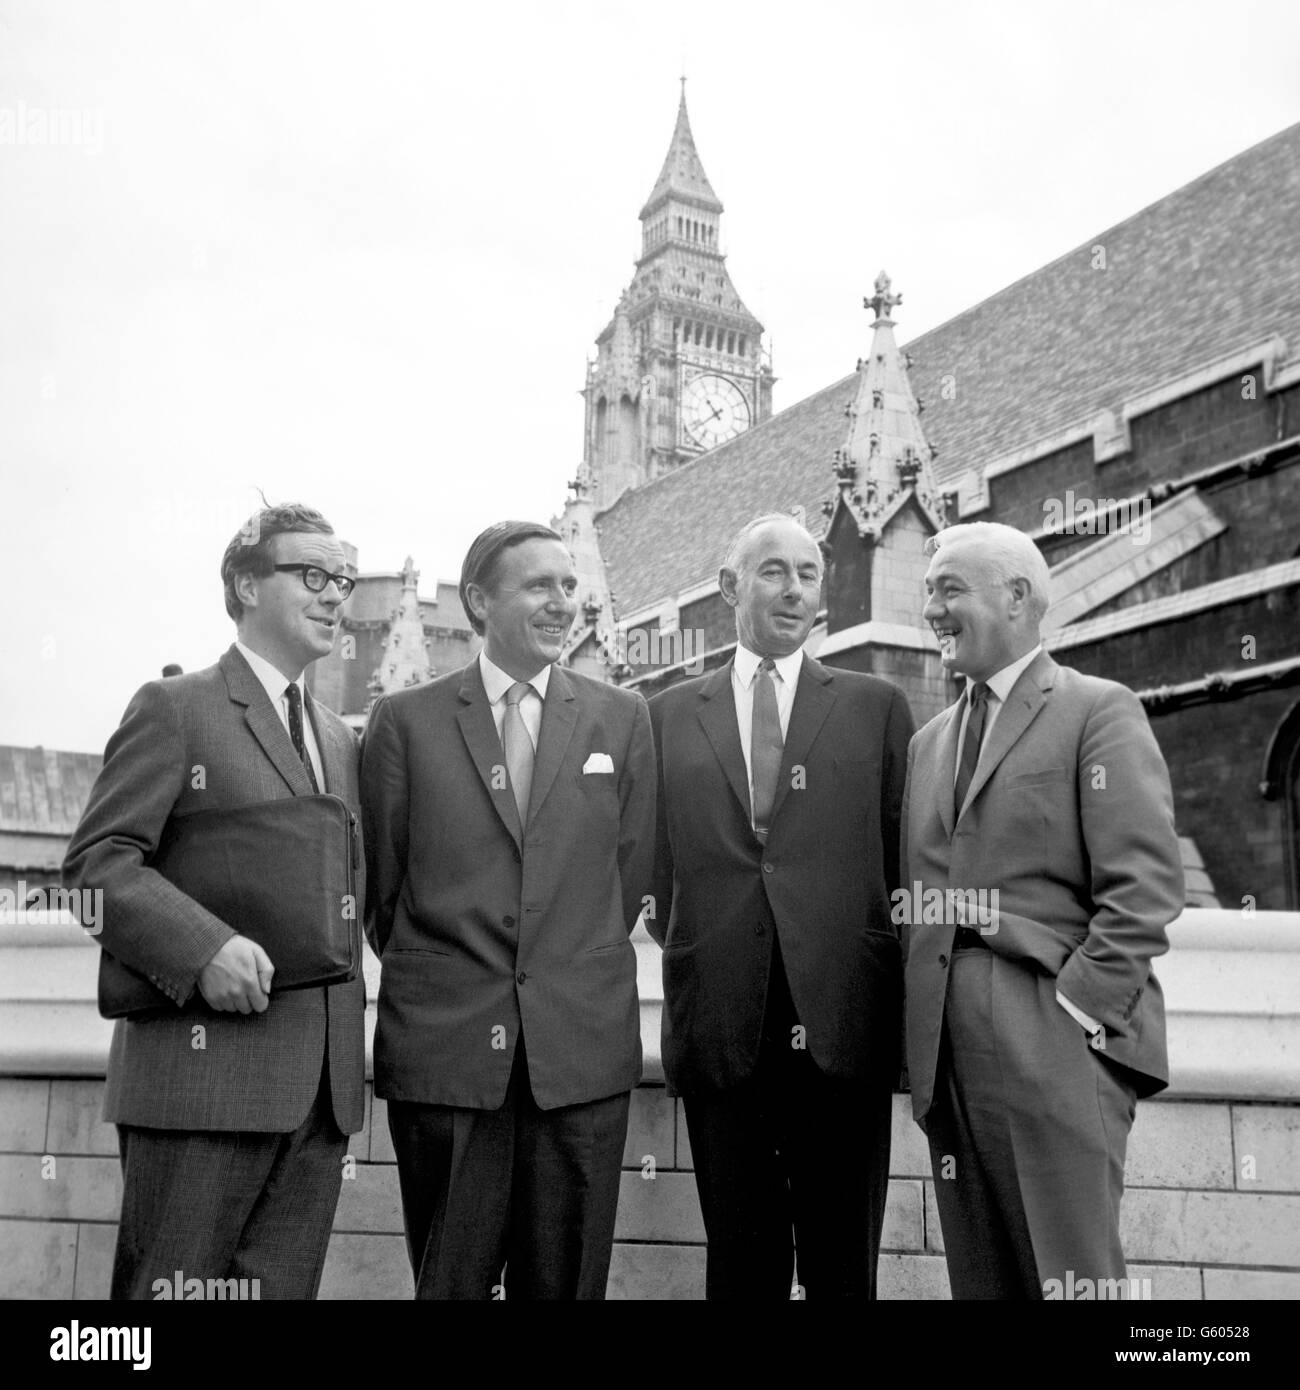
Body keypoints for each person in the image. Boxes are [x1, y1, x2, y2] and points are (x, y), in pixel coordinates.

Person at [63, 503, 365, 1299]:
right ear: (243, 585)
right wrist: (202, 952)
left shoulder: (338, 738)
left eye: (341, 578)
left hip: (320, 1100)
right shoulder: (177, 707)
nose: (336, 593)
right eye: (311, 575)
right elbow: (95, 868)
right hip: (201, 1089)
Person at [361, 519, 656, 1300]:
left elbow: (632, 871)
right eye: (539, 587)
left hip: (579, 1056)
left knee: (565, 1284)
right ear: (478, 603)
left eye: (568, 586)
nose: (563, 603)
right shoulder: (405, 723)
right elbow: (384, 893)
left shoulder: (622, 719)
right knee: (449, 1281)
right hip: (448, 1055)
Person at [903, 520, 1184, 1299]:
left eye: (949, 589)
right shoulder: (929, 741)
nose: (931, 609)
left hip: (1051, 1036)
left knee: (1071, 1279)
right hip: (945, 1055)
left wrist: (1076, 1008)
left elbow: (1147, 887)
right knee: (984, 1281)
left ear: (1018, 596)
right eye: (929, 590)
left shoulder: (1097, 709)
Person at [647, 512, 914, 1300]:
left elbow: (903, 863)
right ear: (731, 586)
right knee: (740, 1262)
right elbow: (655, 878)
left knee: (842, 1267)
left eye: (808, 573)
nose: (795, 591)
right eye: (773, 572)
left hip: (843, 1026)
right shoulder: (665, 716)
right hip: (724, 1026)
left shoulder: (878, 708)